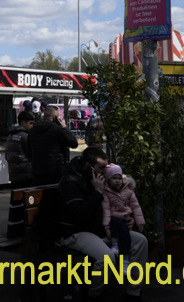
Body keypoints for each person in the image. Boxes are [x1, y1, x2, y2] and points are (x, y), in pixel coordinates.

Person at [58, 146, 147, 301]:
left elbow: (114, 205)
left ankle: (133, 292)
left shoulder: (98, 178)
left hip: (100, 229)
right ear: (88, 166)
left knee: (140, 241)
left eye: (106, 167)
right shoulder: (70, 181)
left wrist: (126, 218)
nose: (105, 172)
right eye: (101, 168)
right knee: (106, 258)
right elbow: (80, 214)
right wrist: (97, 193)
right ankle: (93, 294)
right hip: (76, 232)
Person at [101, 163, 145, 256]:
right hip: (113, 219)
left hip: (124, 218)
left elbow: (136, 207)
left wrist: (140, 223)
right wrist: (106, 227)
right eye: (114, 178)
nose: (117, 181)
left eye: (119, 178)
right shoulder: (106, 192)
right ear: (108, 180)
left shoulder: (128, 191)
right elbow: (106, 210)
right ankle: (115, 245)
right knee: (115, 225)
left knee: (126, 234)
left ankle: (125, 258)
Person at [29, 105, 78, 185]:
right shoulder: (57, 130)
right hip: (56, 171)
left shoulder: (33, 130)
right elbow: (73, 143)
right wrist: (65, 128)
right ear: (55, 118)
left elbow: (28, 152)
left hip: (37, 171)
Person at [6, 111, 34, 189]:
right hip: (26, 174)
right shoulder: (25, 136)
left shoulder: (10, 135)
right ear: (23, 122)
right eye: (30, 123)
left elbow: (7, 155)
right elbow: (32, 154)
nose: (32, 126)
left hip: (13, 173)